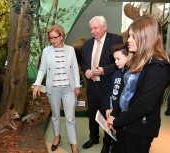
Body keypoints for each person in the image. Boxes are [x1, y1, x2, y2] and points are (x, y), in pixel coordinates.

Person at [107, 15, 170, 153]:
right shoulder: (137, 59)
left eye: (133, 36)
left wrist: (117, 121)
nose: (128, 40)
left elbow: (144, 104)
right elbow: (124, 90)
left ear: (146, 38)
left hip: (139, 128)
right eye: (129, 36)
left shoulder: (159, 67)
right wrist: (115, 114)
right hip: (124, 122)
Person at [32, 24, 81, 153]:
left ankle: (74, 143)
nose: (52, 40)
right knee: (55, 116)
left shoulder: (70, 50)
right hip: (53, 89)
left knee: (70, 118)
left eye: (55, 37)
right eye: (50, 38)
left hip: (68, 89)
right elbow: (42, 69)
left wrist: (77, 85)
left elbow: (75, 68)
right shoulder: (46, 51)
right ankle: (57, 137)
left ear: (62, 36)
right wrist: (37, 84)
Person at [80, 15, 123, 153]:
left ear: (104, 27)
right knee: (92, 114)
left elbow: (119, 63)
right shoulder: (87, 44)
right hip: (92, 86)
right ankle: (94, 137)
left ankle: (107, 142)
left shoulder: (115, 40)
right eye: (91, 29)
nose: (93, 31)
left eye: (95, 28)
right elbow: (83, 62)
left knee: (107, 115)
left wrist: (104, 70)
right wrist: (86, 70)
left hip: (107, 86)